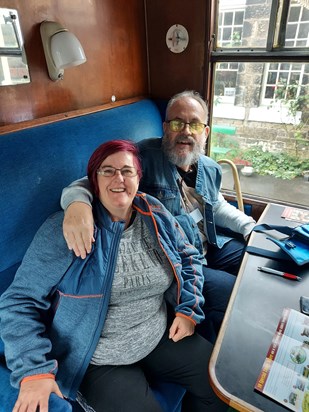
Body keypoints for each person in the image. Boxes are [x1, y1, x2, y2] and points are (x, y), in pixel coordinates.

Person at [0, 140, 227, 412]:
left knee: (219, 385)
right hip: (97, 359)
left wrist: (188, 309)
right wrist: (34, 369)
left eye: (127, 171)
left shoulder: (153, 211)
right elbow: (18, 302)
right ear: (92, 181)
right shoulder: (64, 231)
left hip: (158, 334)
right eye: (107, 171)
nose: (118, 178)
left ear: (138, 178)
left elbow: (187, 256)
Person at [61, 90, 256, 342]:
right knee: (234, 292)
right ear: (166, 128)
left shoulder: (208, 167)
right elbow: (99, 180)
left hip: (209, 243)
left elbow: (215, 205)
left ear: (205, 132)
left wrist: (248, 226)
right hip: (181, 257)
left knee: (253, 259)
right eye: (177, 123)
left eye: (194, 124)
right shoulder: (143, 157)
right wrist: (77, 203)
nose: (186, 131)